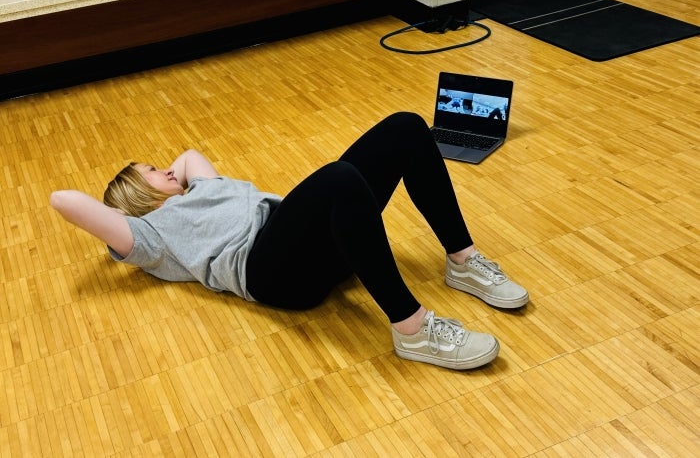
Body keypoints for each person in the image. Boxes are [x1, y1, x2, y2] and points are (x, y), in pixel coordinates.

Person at [50, 112, 528, 371]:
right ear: (136, 198)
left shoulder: (204, 187)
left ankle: (462, 260)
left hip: (308, 240)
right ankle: (414, 330)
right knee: (340, 177)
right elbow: (64, 200)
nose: (165, 167)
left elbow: (191, 155)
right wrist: (122, 208)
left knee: (404, 127)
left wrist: (166, 177)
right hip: (271, 272)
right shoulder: (152, 237)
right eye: (151, 172)